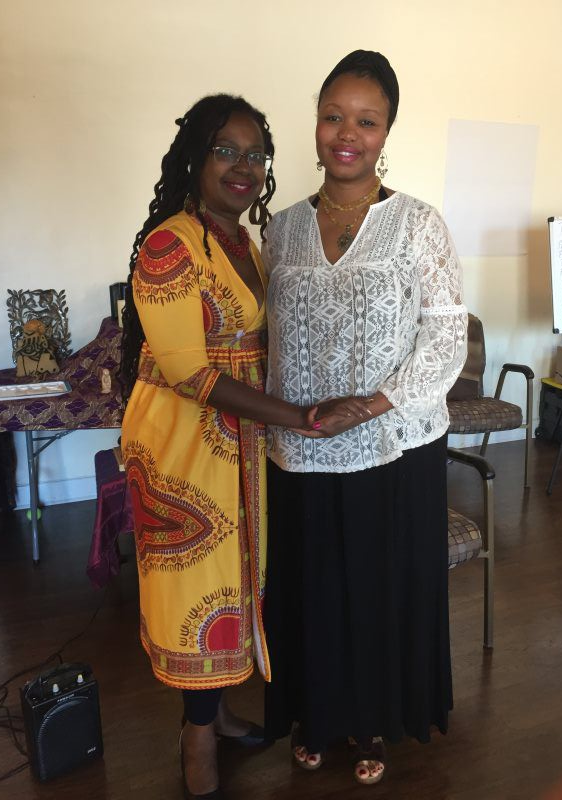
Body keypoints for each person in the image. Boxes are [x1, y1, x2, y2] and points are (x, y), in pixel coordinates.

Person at [262, 51, 468, 785]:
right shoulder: (279, 229)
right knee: (311, 588)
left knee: (379, 587)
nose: (345, 134)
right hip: (301, 449)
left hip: (392, 447)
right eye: (332, 116)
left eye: (366, 121)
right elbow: (262, 338)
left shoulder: (418, 224)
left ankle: (374, 722)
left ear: (386, 132)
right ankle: (316, 715)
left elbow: (444, 336)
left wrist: (372, 404)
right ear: (316, 123)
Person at [119, 94, 318, 800]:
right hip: (183, 441)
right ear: (195, 159)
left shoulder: (241, 241)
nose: (245, 166)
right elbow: (190, 372)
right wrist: (296, 415)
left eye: (256, 153)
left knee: (233, 580)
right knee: (193, 587)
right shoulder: (170, 243)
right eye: (227, 150)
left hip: (237, 436)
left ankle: (220, 712)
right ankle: (196, 740)